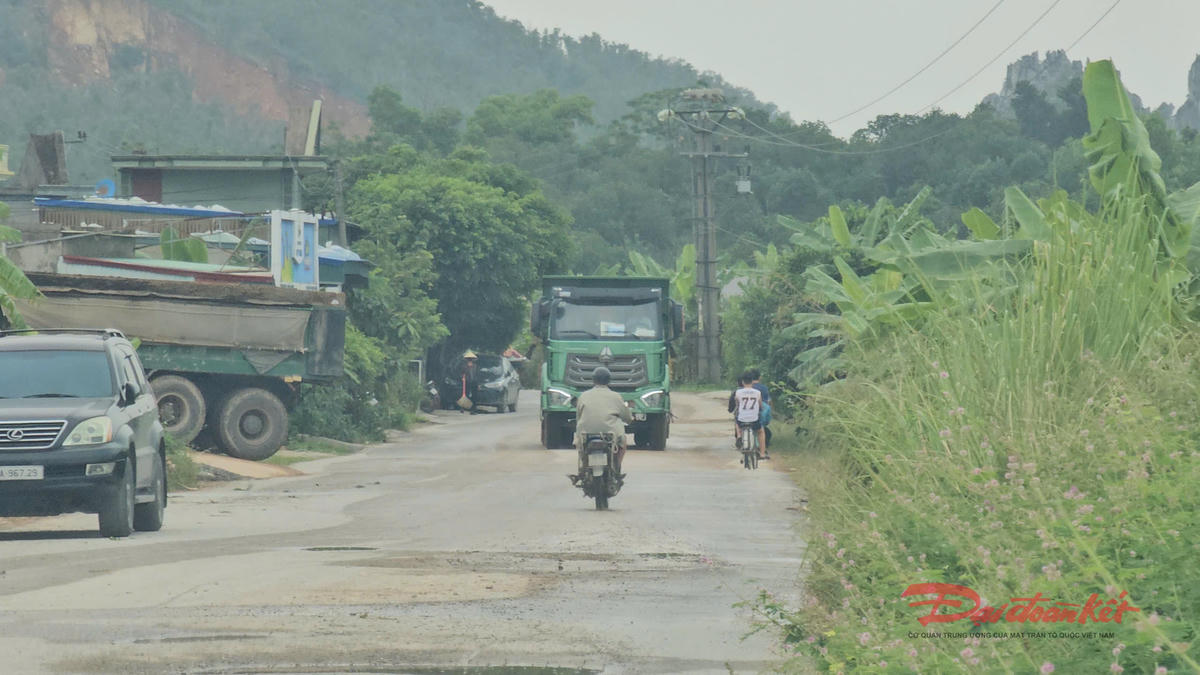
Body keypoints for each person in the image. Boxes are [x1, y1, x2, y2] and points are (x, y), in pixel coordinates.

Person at [575, 366, 633, 474]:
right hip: (610, 435)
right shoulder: (616, 396)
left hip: (586, 434)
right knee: (623, 443)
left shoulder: (583, 396)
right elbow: (627, 417)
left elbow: (578, 417)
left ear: (593, 380)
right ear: (609, 380)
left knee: (580, 445)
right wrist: (630, 419)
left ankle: (584, 467)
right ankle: (616, 468)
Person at [728, 371, 766, 459]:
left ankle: (739, 435)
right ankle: (762, 454)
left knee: (736, 420)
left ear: (742, 382)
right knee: (761, 431)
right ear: (752, 381)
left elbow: (737, 404)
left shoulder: (738, 392)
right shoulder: (757, 392)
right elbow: (760, 405)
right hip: (754, 420)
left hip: (742, 420)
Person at [750, 368, 772, 458]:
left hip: (747, 414)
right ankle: (762, 449)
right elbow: (768, 402)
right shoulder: (764, 388)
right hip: (761, 413)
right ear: (759, 377)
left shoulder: (746, 388)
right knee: (761, 429)